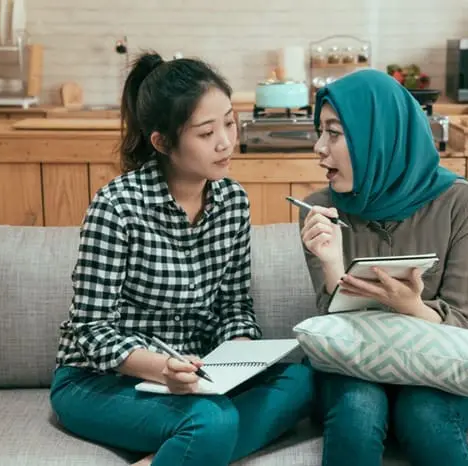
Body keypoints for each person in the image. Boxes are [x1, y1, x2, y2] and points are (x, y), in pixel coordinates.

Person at [50, 52, 313, 466]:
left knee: (302, 382)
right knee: (213, 420)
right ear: (162, 142)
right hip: (100, 380)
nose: (225, 141)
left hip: (196, 377)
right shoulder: (117, 207)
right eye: (206, 132)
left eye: (229, 122)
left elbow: (234, 304)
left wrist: (239, 354)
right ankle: (198, 440)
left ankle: (175, 452)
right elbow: (91, 330)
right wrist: (162, 369)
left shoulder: (233, 202)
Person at [298, 68, 468, 466]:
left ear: (377, 136)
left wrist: (411, 306)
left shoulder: (462, 203)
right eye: (320, 132)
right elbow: (332, 331)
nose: (319, 148)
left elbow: (464, 324)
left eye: (333, 133)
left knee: (424, 413)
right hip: (351, 365)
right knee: (359, 407)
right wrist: (332, 264)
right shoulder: (319, 210)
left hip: (439, 362)